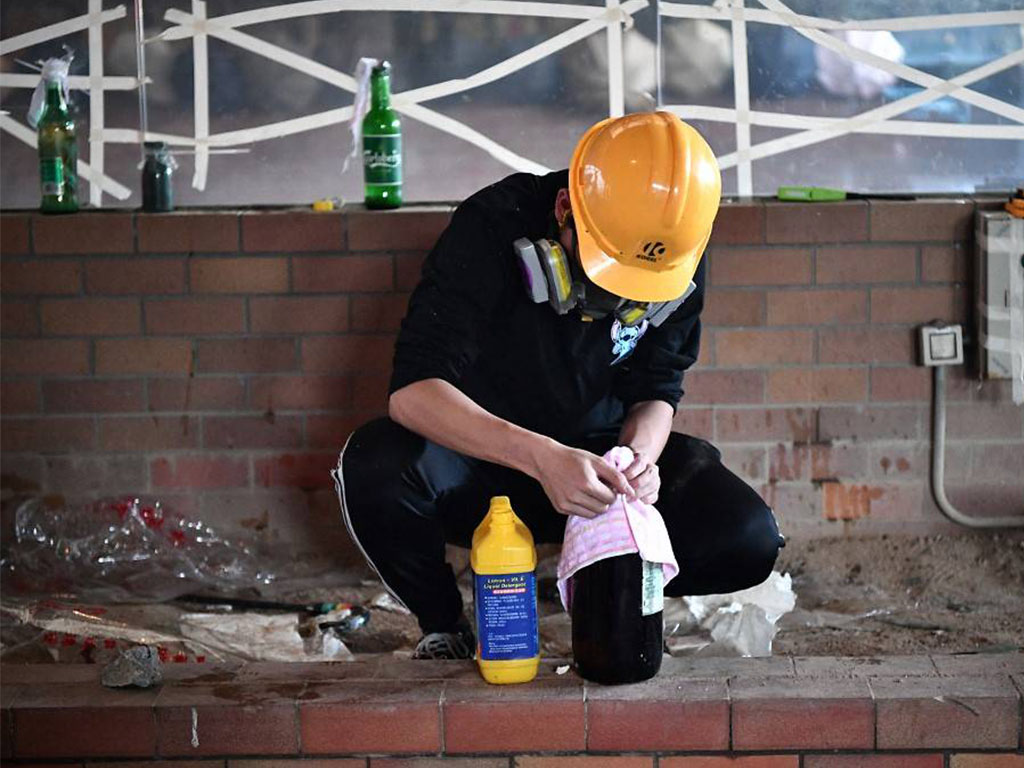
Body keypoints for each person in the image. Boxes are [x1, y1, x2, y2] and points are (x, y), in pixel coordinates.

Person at [333, 112, 785, 659]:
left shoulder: (673, 247)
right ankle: (444, 624)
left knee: (746, 535)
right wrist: (543, 458)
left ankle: (598, 586)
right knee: (376, 467)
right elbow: (413, 392)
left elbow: (658, 385)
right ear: (565, 210)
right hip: (480, 466)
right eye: (606, 271)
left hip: (599, 467)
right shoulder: (491, 225)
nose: (620, 300)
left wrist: (637, 461)